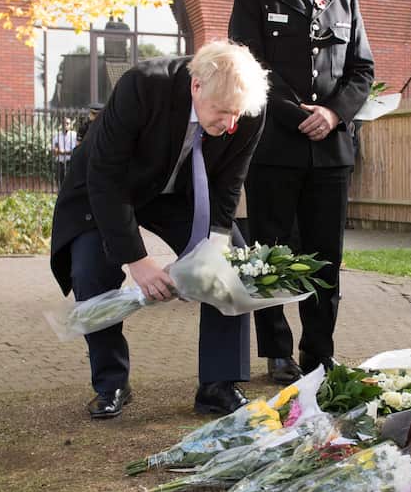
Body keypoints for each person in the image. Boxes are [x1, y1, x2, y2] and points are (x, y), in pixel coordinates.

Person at [49, 40, 269, 420]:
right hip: (107, 189)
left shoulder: (246, 111)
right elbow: (106, 176)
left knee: (232, 264)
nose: (231, 125)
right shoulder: (142, 86)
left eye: (237, 114)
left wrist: (209, 251)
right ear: (196, 86)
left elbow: (229, 184)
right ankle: (111, 383)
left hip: (178, 193)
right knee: (91, 271)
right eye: (222, 113)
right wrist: (138, 260)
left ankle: (218, 384)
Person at [228, 0, 374, 385]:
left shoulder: (344, 2)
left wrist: (333, 114)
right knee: (269, 254)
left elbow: (361, 72)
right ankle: (276, 352)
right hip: (275, 150)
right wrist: (300, 116)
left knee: (325, 255)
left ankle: (319, 352)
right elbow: (252, 70)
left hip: (330, 154)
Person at [52, 117, 78, 185]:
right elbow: (55, 150)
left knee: (70, 182)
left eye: (67, 123)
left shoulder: (74, 135)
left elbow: (76, 150)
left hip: (70, 162)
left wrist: (62, 152)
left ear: (70, 125)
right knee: (59, 181)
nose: (65, 125)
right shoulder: (57, 135)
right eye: (64, 123)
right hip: (60, 162)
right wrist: (65, 152)